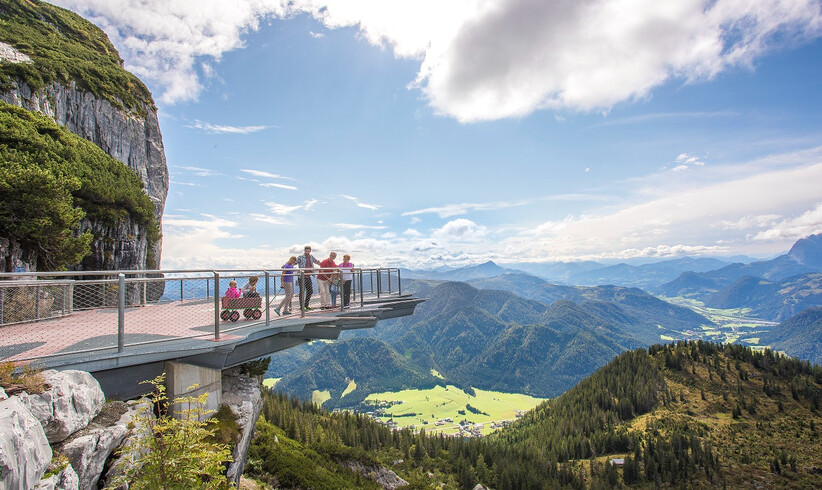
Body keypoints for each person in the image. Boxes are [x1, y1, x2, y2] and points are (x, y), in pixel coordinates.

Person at [296, 245, 320, 310]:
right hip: (301, 276)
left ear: (310, 251)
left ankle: (306, 305)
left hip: (308, 276)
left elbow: (316, 261)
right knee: (302, 291)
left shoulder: (311, 257)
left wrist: (323, 265)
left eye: (308, 251)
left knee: (310, 291)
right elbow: (294, 262)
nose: (307, 252)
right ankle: (302, 306)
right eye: (306, 251)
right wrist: (286, 265)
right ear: (304, 251)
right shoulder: (300, 257)